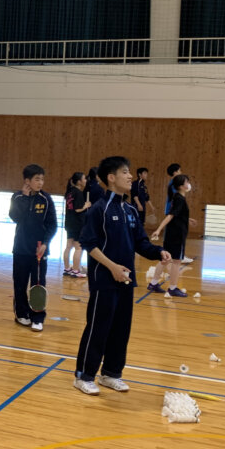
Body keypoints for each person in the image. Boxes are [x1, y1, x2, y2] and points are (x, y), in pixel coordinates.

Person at [74, 156, 168, 396]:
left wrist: (158, 252)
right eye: (125, 172)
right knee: (98, 328)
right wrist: (112, 267)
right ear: (111, 178)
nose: (130, 176)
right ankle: (84, 375)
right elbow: (88, 243)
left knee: (120, 329)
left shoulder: (130, 210)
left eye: (130, 172)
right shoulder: (99, 209)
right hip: (104, 280)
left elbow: (141, 243)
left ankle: (111, 373)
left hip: (126, 280)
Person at [9, 164, 58, 333]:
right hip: (20, 249)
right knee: (20, 284)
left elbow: (52, 224)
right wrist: (24, 197)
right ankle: (21, 314)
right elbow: (15, 217)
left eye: (42, 179)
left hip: (39, 250)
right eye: (37, 179)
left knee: (38, 285)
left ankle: (37, 318)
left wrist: (45, 243)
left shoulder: (46, 199)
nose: (40, 182)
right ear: (27, 181)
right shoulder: (17, 197)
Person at [149, 175, 192, 297]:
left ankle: (153, 283)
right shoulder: (179, 199)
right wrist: (158, 229)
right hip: (177, 235)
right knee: (177, 261)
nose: (188, 184)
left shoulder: (177, 197)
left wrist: (188, 219)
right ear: (181, 186)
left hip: (172, 233)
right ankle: (173, 288)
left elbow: (177, 215)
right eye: (187, 182)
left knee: (165, 259)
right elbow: (170, 215)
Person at [63, 172, 90, 278]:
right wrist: (86, 205)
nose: (85, 180)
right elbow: (78, 209)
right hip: (77, 224)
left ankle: (67, 268)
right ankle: (75, 270)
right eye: (84, 178)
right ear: (79, 182)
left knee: (68, 246)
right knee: (78, 248)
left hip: (69, 223)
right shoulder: (78, 193)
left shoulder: (69, 192)